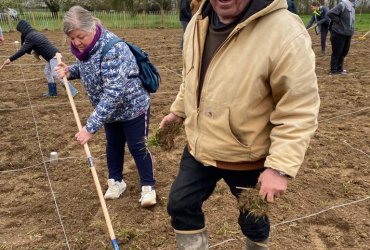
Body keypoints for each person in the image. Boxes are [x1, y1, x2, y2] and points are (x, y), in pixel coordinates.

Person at [159, 0, 320, 249]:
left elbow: (298, 108)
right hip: (201, 145)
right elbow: (190, 76)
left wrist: (279, 168)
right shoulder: (197, 21)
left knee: (253, 219)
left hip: (247, 153)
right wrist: (178, 112)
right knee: (180, 204)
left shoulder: (284, 31)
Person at [55, 6, 156, 208]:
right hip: (110, 112)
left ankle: (148, 186)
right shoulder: (85, 49)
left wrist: (90, 127)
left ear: (92, 27)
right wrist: (70, 71)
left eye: (80, 37)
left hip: (132, 107)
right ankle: (116, 182)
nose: (76, 42)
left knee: (138, 146)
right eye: (72, 38)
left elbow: (114, 92)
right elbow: (89, 69)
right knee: (113, 146)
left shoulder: (113, 49)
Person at [2, 20, 78, 97]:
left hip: (53, 56)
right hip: (52, 56)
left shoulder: (31, 36)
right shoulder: (36, 33)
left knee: (56, 74)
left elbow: (22, 50)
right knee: (47, 72)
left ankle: (72, 90)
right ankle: (52, 92)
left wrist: (10, 59)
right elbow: (39, 46)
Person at [327, 0, 356, 75]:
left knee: (344, 52)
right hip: (338, 33)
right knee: (337, 52)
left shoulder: (352, 7)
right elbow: (330, 13)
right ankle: (333, 70)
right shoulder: (342, 5)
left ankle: (340, 69)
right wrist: (339, 21)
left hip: (348, 34)